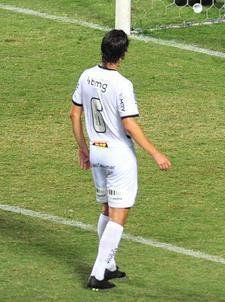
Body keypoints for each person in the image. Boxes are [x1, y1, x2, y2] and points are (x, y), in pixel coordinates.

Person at [70, 29, 171, 291]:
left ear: (103, 50)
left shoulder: (86, 75)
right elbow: (129, 124)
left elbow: (73, 115)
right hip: (118, 156)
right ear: (123, 54)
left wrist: (83, 149)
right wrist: (155, 152)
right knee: (119, 215)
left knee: (106, 209)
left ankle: (109, 266)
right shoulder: (122, 84)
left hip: (97, 151)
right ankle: (97, 274)